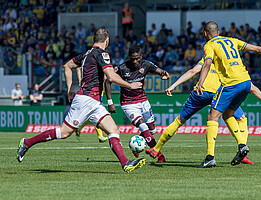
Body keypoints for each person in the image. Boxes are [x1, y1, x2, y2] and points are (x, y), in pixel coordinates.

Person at [17, 27, 146, 173]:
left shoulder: (86, 54)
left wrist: (70, 88)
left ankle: (126, 163)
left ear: (93, 40)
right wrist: (130, 85)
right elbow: (111, 76)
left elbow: (67, 66)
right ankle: (26, 143)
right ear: (107, 40)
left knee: (113, 130)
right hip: (86, 100)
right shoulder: (102, 54)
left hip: (94, 102)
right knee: (64, 132)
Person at [146, 57, 261, 167]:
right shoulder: (229, 62)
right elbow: (251, 87)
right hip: (220, 94)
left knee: (179, 120)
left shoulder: (207, 58)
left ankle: (156, 149)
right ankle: (242, 147)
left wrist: (173, 86)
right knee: (239, 118)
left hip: (201, 92)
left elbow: (193, 71)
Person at [195, 21, 261, 166]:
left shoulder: (209, 45)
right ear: (218, 31)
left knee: (212, 116)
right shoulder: (232, 40)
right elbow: (258, 48)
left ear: (205, 34)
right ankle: (242, 145)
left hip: (230, 84)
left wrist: (201, 82)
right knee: (228, 114)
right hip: (246, 82)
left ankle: (210, 158)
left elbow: (207, 63)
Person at [106, 44, 169, 163]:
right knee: (142, 125)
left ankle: (136, 143)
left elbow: (160, 71)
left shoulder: (146, 65)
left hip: (143, 101)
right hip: (128, 103)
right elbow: (108, 81)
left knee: (152, 130)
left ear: (141, 56)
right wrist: (110, 102)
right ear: (129, 57)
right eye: (132, 58)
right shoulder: (122, 68)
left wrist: (164, 74)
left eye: (137, 58)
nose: (135, 61)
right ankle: (159, 154)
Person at [74, 67, 108, 143]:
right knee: (96, 113)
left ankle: (79, 128)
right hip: (93, 93)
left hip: (100, 92)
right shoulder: (91, 62)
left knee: (90, 116)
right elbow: (78, 68)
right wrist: (80, 80)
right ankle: (100, 136)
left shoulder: (101, 63)